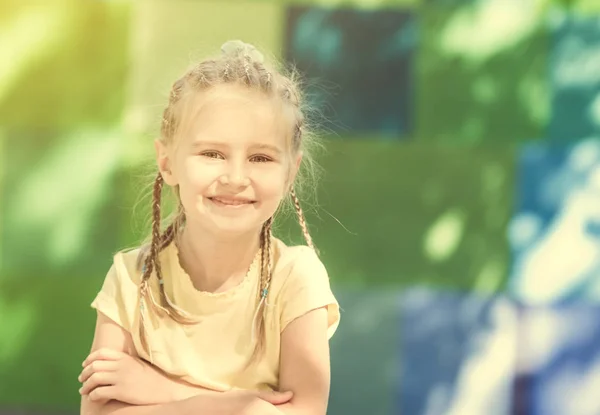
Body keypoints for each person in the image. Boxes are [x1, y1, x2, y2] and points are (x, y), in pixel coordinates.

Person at [78, 40, 340, 415]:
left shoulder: (296, 277)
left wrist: (163, 392)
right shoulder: (132, 278)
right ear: (168, 163)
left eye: (261, 157)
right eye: (212, 154)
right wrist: (238, 406)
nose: (235, 177)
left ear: (289, 174)